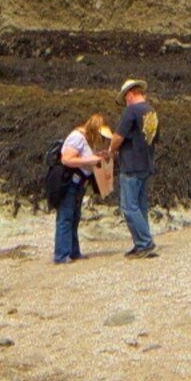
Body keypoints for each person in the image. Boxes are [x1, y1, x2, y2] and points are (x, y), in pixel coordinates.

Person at [50, 106, 117, 264]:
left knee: (74, 217)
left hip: (79, 183)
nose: (101, 139)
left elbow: (83, 157)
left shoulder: (88, 140)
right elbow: (67, 159)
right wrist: (92, 160)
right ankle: (61, 255)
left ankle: (74, 252)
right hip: (68, 182)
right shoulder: (77, 138)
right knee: (66, 217)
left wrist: (98, 156)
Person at [112, 77, 160, 258]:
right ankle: (141, 242)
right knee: (140, 206)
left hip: (131, 164)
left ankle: (145, 242)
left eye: (125, 98)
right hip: (146, 162)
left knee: (129, 206)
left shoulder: (131, 111)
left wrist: (111, 150)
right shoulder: (151, 111)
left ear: (130, 95)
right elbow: (154, 138)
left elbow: (118, 137)